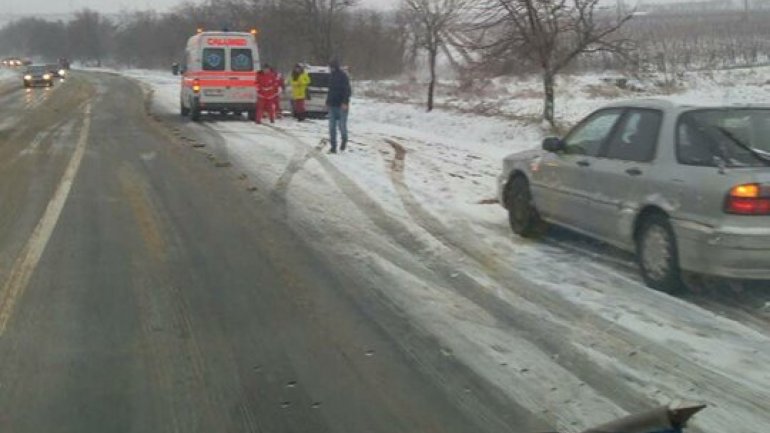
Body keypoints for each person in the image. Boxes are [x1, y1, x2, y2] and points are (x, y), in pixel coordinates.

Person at [326, 59, 351, 153]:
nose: (330, 69)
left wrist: (345, 102)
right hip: (332, 105)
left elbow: (347, 90)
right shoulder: (331, 76)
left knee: (342, 126)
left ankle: (344, 139)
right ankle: (333, 147)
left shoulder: (343, 76)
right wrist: (327, 102)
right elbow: (330, 90)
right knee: (331, 127)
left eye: (331, 67)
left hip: (341, 105)